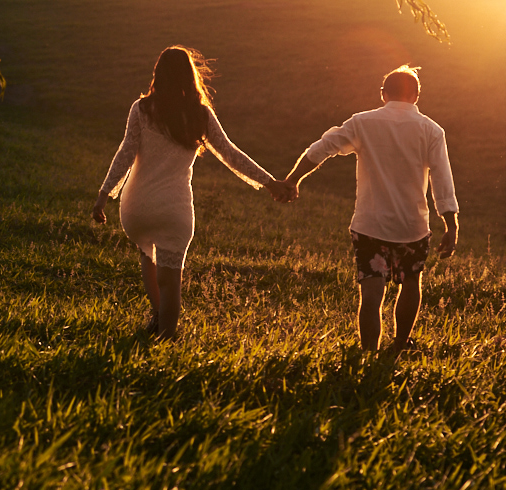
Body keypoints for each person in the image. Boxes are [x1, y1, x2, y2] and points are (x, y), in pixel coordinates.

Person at [92, 46, 292, 340]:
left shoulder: (142, 109)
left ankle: (156, 317)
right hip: (175, 210)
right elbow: (230, 155)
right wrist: (270, 182)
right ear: (190, 77)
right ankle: (167, 338)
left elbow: (125, 153)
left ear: (157, 75)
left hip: (138, 208)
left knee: (147, 255)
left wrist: (104, 194)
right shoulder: (200, 115)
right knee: (171, 279)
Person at [281, 65, 459, 353]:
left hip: (370, 224)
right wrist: (451, 225)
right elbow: (442, 179)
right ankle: (401, 343)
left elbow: (322, 147)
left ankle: (368, 352)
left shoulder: (362, 123)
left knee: (372, 292)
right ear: (416, 95)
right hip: (412, 225)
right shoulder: (432, 131)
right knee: (411, 282)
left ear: (383, 94)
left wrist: (292, 179)